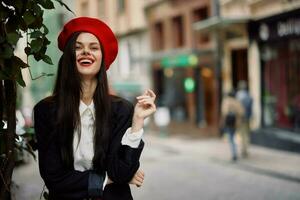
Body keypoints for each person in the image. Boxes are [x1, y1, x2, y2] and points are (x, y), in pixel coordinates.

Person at [33, 17, 156, 200]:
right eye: (78, 47)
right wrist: (106, 179)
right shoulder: (45, 111)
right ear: (68, 56)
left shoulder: (121, 110)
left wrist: (137, 121)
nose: (85, 52)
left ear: (102, 58)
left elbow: (121, 172)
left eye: (94, 47)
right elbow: (54, 177)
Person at [221, 90, 244, 161]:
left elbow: (224, 112)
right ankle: (237, 152)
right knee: (235, 137)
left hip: (229, 123)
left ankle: (234, 154)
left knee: (231, 138)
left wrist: (222, 122)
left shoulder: (226, 101)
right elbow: (242, 112)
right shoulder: (237, 102)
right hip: (236, 123)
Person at [236, 80, 253, 157]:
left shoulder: (238, 96)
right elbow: (250, 108)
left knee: (242, 134)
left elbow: (237, 108)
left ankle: (243, 150)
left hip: (241, 118)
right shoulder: (248, 95)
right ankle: (245, 149)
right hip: (247, 118)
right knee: (246, 134)